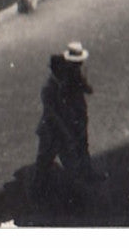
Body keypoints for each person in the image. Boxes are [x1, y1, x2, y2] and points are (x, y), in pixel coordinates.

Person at [32, 42, 99, 199]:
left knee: (76, 152)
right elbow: (52, 113)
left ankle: (81, 181)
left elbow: (87, 90)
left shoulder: (69, 76)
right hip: (53, 129)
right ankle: (38, 189)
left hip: (70, 123)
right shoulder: (50, 87)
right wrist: (67, 130)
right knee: (45, 160)